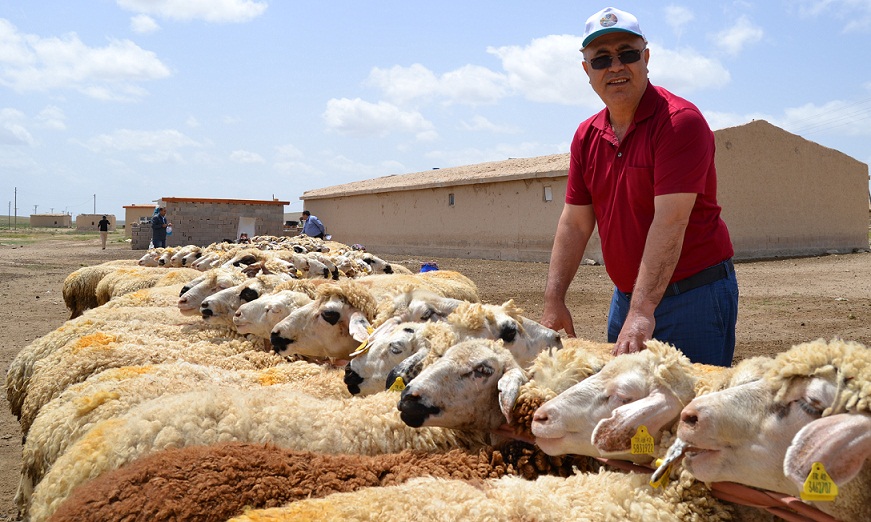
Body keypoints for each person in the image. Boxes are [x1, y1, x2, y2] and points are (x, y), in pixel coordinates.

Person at [541, 7, 738, 367]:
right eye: (601, 59)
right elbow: (575, 222)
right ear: (587, 71)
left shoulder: (679, 123)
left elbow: (671, 221)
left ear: (646, 58)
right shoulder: (587, 136)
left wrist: (643, 311)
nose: (615, 66)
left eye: (627, 54)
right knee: (623, 407)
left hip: (693, 296)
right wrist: (555, 300)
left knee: (690, 413)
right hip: (628, 297)